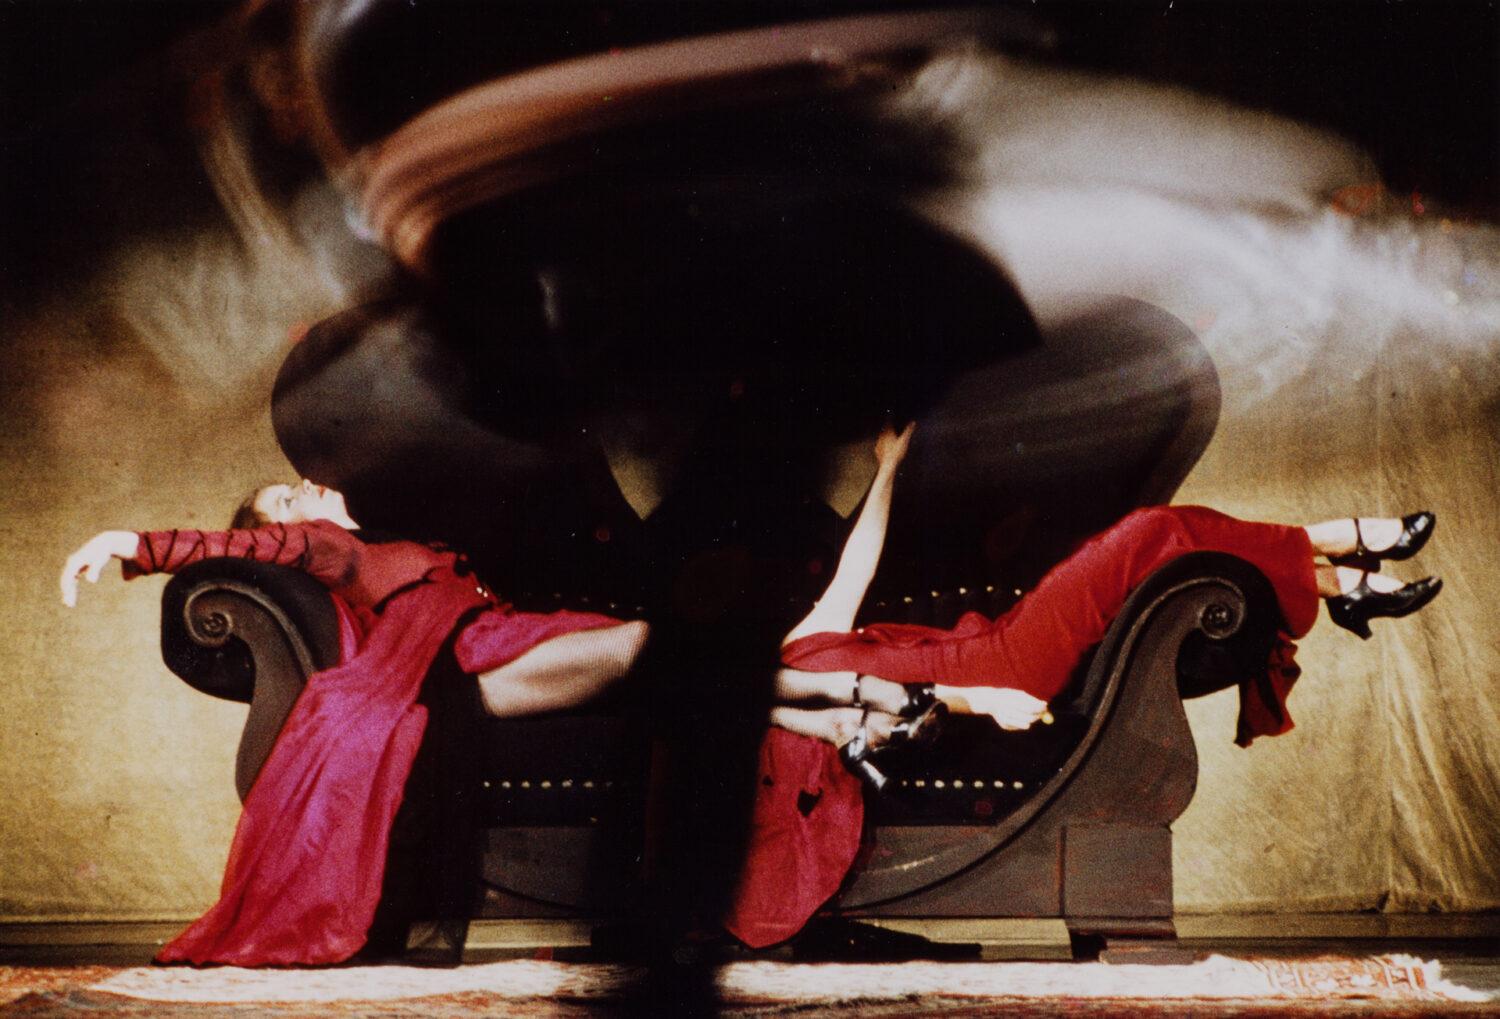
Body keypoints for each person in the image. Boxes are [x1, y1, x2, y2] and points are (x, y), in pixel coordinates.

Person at [724, 423, 1442, 949]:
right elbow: (878, 711)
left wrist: (888, 466)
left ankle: (1340, 578)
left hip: (997, 643)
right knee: (1147, 531)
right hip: (1001, 666)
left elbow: (858, 563)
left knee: (1161, 530)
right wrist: (980, 699)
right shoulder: (787, 696)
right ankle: (1345, 554)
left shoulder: (799, 642)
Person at [60, 479, 649, 965]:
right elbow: (243, 548)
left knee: (663, 651)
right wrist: (131, 544)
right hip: (464, 661)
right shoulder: (328, 543)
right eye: (287, 502)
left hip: (492, 643)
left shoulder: (377, 536)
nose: (305, 487)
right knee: (652, 645)